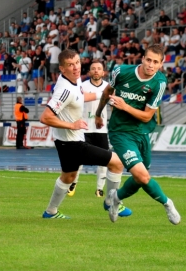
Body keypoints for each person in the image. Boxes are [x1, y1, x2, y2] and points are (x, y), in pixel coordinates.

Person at [39, 49, 130, 220]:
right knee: (117, 163)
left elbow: (80, 95)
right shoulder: (65, 89)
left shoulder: (73, 81)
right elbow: (45, 117)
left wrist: (103, 95)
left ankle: (50, 212)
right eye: (70, 65)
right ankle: (111, 202)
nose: (75, 68)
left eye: (77, 63)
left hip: (64, 142)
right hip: (73, 143)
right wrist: (71, 125)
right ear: (62, 68)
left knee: (68, 177)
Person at [95, 44, 181, 225]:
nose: (151, 65)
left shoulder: (159, 82)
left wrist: (125, 106)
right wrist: (98, 114)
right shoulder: (121, 71)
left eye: (155, 62)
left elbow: (147, 116)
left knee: (140, 178)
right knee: (143, 176)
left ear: (161, 64)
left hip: (142, 133)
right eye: (148, 60)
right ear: (142, 58)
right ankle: (168, 203)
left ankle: (116, 198)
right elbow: (106, 92)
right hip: (120, 132)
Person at [67, 61, 110, 198]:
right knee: (78, 159)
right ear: (89, 72)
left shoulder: (109, 87)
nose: (96, 71)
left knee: (104, 161)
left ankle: (99, 189)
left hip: (101, 130)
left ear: (103, 72)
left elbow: (115, 104)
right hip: (84, 129)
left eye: (99, 69)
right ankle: (73, 183)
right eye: (93, 69)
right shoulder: (82, 86)